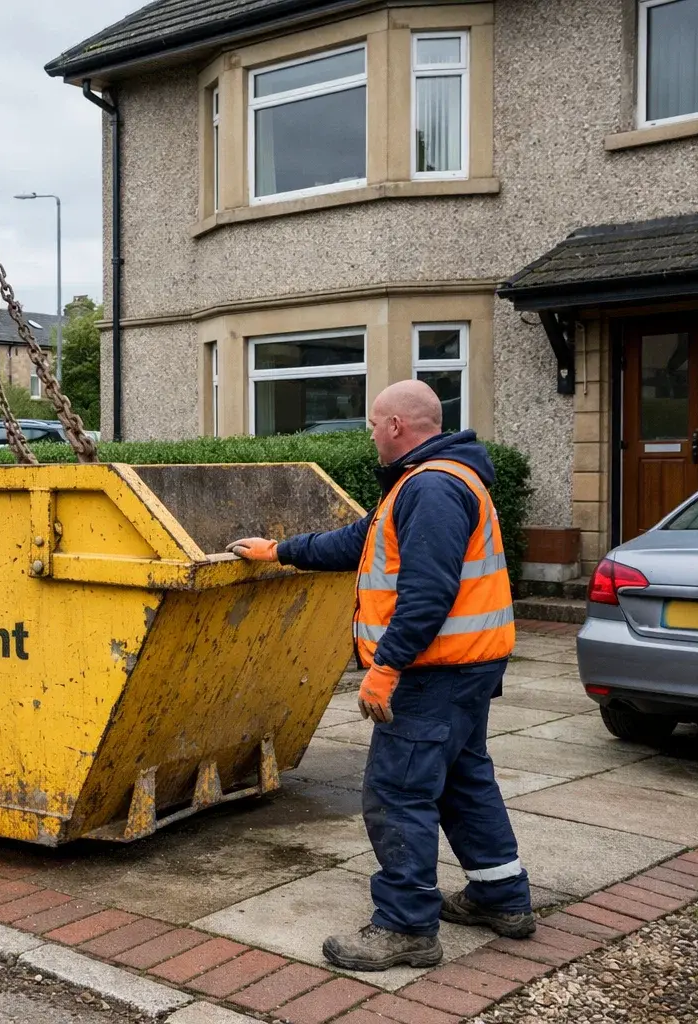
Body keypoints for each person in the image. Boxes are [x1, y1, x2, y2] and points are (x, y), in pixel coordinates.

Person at [228, 380, 534, 973]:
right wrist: (280, 550)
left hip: (431, 672)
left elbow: (427, 594)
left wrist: (385, 668)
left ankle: (405, 927)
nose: (369, 434)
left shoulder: (433, 489)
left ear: (396, 425)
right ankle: (502, 896)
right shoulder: (433, 480)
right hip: (464, 669)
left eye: (373, 424)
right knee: (464, 780)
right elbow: (360, 543)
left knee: (397, 793)